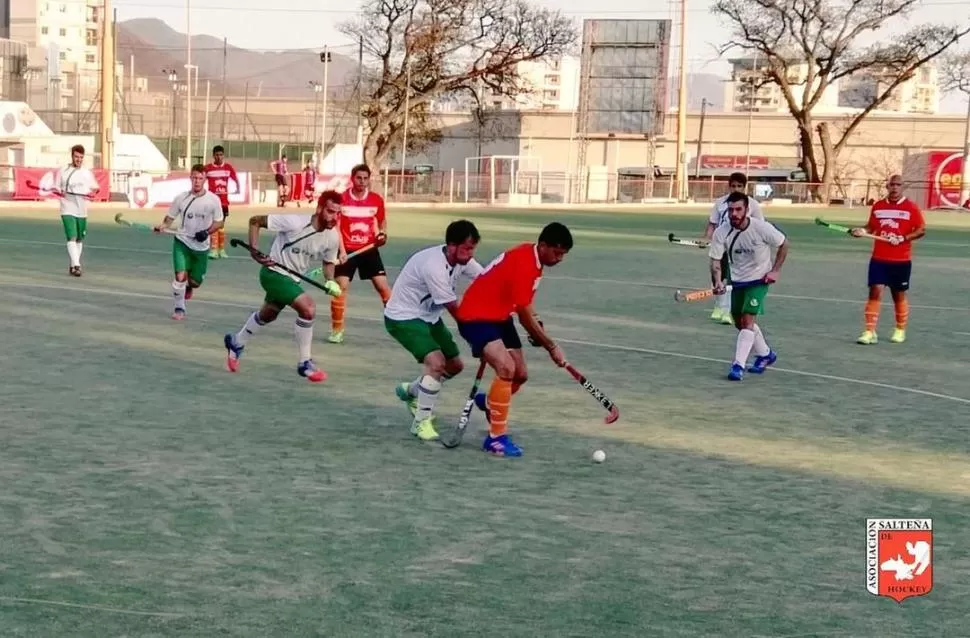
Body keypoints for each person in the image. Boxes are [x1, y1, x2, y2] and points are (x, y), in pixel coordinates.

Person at [455, 222, 573, 458]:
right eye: (557, 253)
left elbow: (525, 306)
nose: (560, 259)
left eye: (563, 255)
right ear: (543, 246)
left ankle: (490, 403)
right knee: (506, 368)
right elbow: (523, 312)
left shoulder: (535, 261)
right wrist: (551, 346)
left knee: (520, 374)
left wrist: (535, 323)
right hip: (475, 316)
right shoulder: (524, 263)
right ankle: (496, 439)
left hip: (499, 316)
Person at [223, 190, 346, 382]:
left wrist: (329, 280)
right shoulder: (295, 222)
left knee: (268, 315)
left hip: (292, 280)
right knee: (308, 309)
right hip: (273, 274)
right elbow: (255, 221)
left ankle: (236, 342)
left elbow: (329, 263)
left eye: (338, 213)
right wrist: (255, 251)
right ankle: (304, 362)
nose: (334, 217)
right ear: (320, 208)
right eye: (330, 212)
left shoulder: (332, 237)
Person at [384, 220, 484, 441]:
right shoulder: (433, 266)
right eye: (467, 248)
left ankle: (411, 391)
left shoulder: (462, 259)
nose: (470, 254)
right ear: (451, 245)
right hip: (403, 317)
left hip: (429, 317)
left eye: (473, 248)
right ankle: (420, 422)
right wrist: (478, 338)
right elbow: (455, 311)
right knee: (437, 363)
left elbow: (485, 279)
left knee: (455, 366)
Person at [708, 191, 789, 382]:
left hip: (760, 280)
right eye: (730, 210)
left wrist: (775, 270)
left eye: (738, 209)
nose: (734, 214)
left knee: (747, 319)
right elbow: (715, 261)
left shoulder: (762, 228)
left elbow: (784, 244)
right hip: (737, 281)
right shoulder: (722, 232)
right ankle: (766, 354)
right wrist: (718, 282)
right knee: (740, 323)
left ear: (747, 210)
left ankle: (738, 366)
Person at [851, 174, 926, 345]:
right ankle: (869, 331)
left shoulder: (911, 207)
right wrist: (861, 231)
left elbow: (921, 230)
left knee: (898, 295)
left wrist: (903, 238)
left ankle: (900, 329)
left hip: (901, 260)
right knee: (875, 290)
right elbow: (871, 227)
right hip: (879, 258)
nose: (894, 188)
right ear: (887, 186)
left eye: (898, 185)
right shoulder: (878, 206)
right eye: (892, 185)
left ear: (902, 187)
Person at [329, 163, 392, 343]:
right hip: (346, 249)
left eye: (365, 178)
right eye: (359, 178)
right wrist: (341, 250)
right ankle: (337, 330)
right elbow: (337, 228)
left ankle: (399, 321)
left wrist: (382, 233)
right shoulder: (342, 200)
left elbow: (382, 221)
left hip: (369, 249)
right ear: (352, 179)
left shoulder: (376, 200)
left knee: (383, 287)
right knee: (340, 287)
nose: (362, 182)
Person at [155, 164, 225, 320]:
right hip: (182, 242)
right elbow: (170, 217)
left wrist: (206, 232)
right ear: (190, 178)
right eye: (194, 178)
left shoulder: (214, 200)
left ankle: (189, 287)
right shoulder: (181, 198)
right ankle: (179, 308)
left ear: (205, 179)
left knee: (195, 282)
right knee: (180, 276)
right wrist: (163, 226)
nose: (197, 181)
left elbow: (219, 222)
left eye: (200, 178)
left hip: (201, 247)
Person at [704, 172, 765, 325]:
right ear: (729, 186)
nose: (736, 188)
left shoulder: (753, 205)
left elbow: (760, 226)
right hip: (722, 244)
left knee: (732, 278)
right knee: (717, 274)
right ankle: (719, 306)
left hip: (741, 247)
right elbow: (712, 224)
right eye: (733, 186)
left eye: (739, 186)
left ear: (745, 187)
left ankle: (727, 310)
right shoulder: (720, 203)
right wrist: (708, 239)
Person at [54, 144, 100, 277]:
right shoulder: (63, 170)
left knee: (79, 239)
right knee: (72, 236)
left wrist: (94, 192)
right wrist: (59, 191)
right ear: (72, 156)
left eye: (81, 157)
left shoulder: (86, 172)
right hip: (67, 206)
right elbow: (56, 187)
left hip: (82, 208)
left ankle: (73, 264)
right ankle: (77, 265)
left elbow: (95, 187)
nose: (78, 159)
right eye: (76, 157)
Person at [204, 144, 239, 259]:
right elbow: (200, 179)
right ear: (213, 156)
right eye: (217, 155)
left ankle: (221, 249)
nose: (219, 157)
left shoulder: (228, 168)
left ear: (223, 155)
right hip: (212, 202)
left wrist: (238, 188)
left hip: (224, 202)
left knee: (221, 226)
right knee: (213, 225)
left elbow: (235, 178)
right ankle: (213, 249)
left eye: (221, 155)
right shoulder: (208, 168)